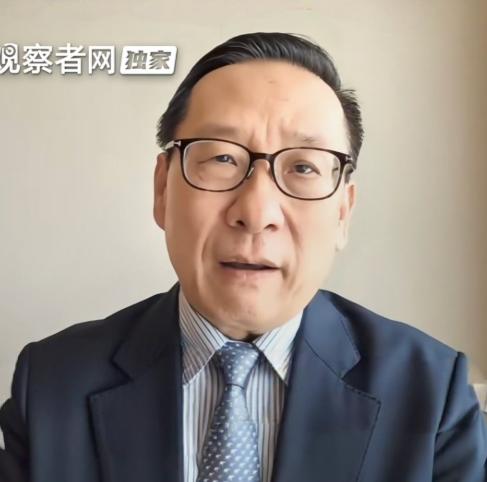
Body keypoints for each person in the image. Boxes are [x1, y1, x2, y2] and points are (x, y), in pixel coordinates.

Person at [0, 32, 485, 482]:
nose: (256, 213)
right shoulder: (51, 383)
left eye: (303, 167)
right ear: (163, 189)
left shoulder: (433, 393)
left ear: (343, 211)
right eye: (222, 158)